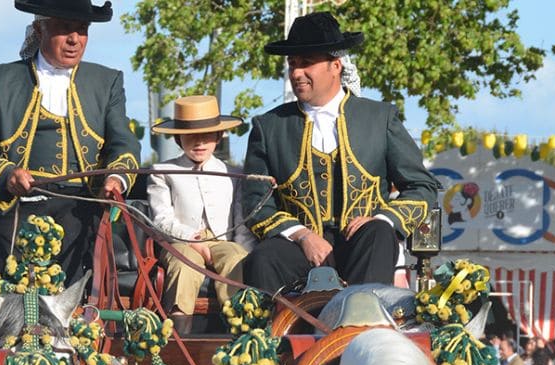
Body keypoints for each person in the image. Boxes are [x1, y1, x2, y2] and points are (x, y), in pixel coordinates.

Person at [240, 11, 440, 292]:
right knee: (263, 258)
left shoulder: (379, 118)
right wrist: (303, 236)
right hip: (298, 250)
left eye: (306, 63)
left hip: (363, 247)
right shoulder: (269, 127)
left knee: (379, 234)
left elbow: (421, 187)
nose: (296, 72)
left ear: (336, 66)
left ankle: (358, 329)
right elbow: (255, 204)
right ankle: (277, 336)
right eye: (292, 63)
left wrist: (382, 219)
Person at [0, 0, 141, 281]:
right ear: (39, 29)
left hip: (83, 203)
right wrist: (8, 175)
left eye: (82, 30)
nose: (74, 40)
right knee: (5, 254)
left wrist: (116, 178)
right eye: (65, 29)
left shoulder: (107, 81)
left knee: (92, 253)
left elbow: (124, 143)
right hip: (21, 202)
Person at [148, 95, 254, 331]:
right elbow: (161, 218)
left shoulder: (233, 173)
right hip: (182, 241)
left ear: (218, 136)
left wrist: (246, 252)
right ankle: (179, 335)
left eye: (206, 136)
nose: (199, 143)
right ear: (178, 139)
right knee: (184, 266)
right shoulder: (163, 171)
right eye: (190, 137)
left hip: (222, 240)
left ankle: (238, 329)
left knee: (236, 258)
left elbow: (241, 221)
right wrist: (192, 239)